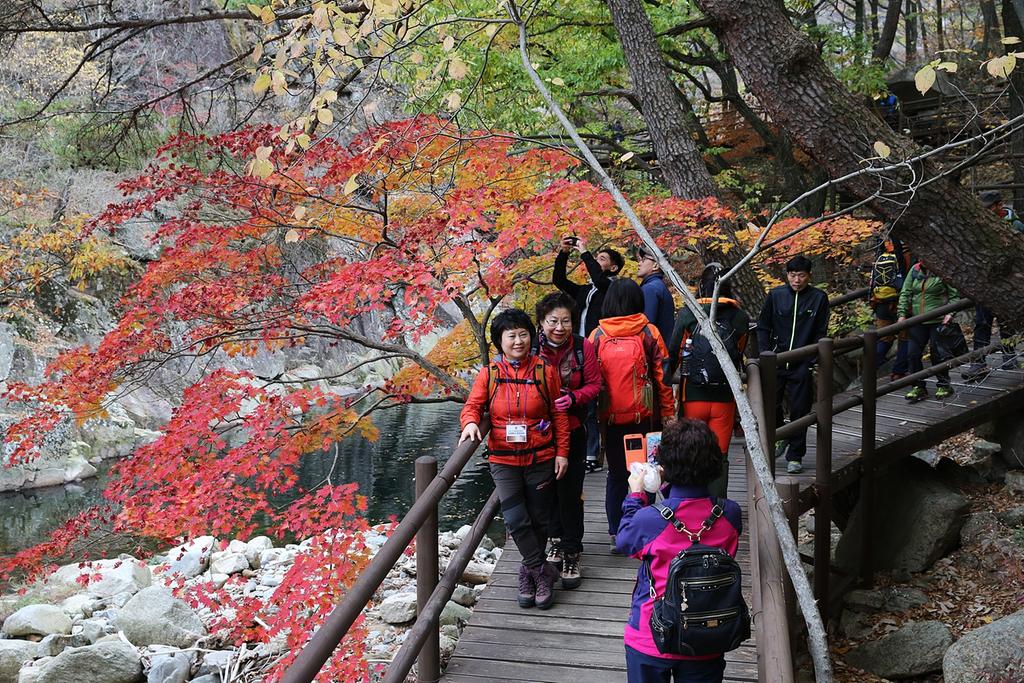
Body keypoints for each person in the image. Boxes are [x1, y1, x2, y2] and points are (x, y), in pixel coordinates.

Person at [616, 419, 743, 683]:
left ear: (664, 464)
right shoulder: (729, 514)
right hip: (708, 634)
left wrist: (637, 494)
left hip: (651, 635)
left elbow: (625, 540)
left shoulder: (649, 520)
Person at [459, 309, 569, 609]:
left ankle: (528, 571)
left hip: (541, 456)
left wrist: (562, 452)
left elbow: (559, 413)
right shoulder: (490, 374)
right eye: (511, 336)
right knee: (515, 518)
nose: (518, 341)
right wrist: (470, 423)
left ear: (531, 337)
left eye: (523, 334)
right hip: (503, 459)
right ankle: (540, 570)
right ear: (500, 341)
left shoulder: (545, 371)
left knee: (541, 517)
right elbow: (473, 406)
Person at [589, 279, 675, 551]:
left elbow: (591, 381)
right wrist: (670, 414)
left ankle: (617, 533)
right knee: (648, 473)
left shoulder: (597, 335)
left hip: (611, 419)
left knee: (616, 476)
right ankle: (646, 531)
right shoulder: (649, 332)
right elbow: (662, 377)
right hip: (646, 419)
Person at [533, 292, 601, 589]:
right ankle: (556, 540)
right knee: (545, 493)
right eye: (553, 321)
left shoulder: (583, 347)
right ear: (541, 322)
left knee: (570, 493)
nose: (559, 327)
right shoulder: (530, 347)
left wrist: (574, 397)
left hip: (573, 428)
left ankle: (572, 550)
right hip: (538, 434)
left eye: (565, 321)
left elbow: (595, 384)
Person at [667, 264, 749, 497]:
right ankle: (717, 506)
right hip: (724, 396)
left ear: (701, 286)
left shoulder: (688, 314)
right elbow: (740, 351)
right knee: (719, 454)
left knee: (689, 450)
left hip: (692, 394)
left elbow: (673, 351)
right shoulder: (740, 316)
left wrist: (666, 378)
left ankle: (689, 501)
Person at [553, 236, 624, 473]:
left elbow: (599, 279)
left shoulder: (613, 288)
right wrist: (564, 253)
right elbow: (559, 280)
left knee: (592, 405)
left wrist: (584, 251)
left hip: (600, 350)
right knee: (574, 400)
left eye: (601, 258)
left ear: (613, 267)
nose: (595, 261)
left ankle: (592, 453)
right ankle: (575, 449)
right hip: (578, 349)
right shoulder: (586, 291)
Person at [756, 255, 829, 474]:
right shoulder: (776, 295)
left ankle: (795, 455)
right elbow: (763, 326)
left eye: (801, 275)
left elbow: (820, 331)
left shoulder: (818, 298)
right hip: (775, 362)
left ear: (809, 276)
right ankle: (780, 436)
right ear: (786, 275)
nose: (796, 280)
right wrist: (766, 353)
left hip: (801, 363)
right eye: (792, 275)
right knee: (771, 405)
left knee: (800, 409)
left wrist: (811, 359)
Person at [962, 191, 1023, 380]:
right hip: (985, 283)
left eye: (989, 208)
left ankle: (1009, 354)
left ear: (999, 205)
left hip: (1007, 283)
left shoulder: (1016, 225)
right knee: (982, 322)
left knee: (1005, 321)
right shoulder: (979, 225)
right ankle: (978, 363)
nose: (986, 212)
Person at [898, 261, 963, 402]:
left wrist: (950, 313)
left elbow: (954, 295)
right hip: (917, 320)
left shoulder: (943, 269)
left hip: (938, 320)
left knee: (938, 353)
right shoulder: (915, 270)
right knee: (912, 354)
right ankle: (918, 386)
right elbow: (905, 292)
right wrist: (902, 314)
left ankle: (944, 385)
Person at [868, 234, 912, 380]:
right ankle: (898, 372)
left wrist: (872, 302)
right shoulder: (908, 255)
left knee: (884, 338)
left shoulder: (882, 254)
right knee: (905, 337)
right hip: (901, 303)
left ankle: (870, 369)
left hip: (880, 302)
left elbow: (872, 283)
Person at [636, 246, 676, 344]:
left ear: (655, 266)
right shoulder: (658, 286)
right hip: (660, 350)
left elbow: (646, 327)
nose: (639, 263)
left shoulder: (650, 289)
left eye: (644, 260)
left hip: (653, 353)